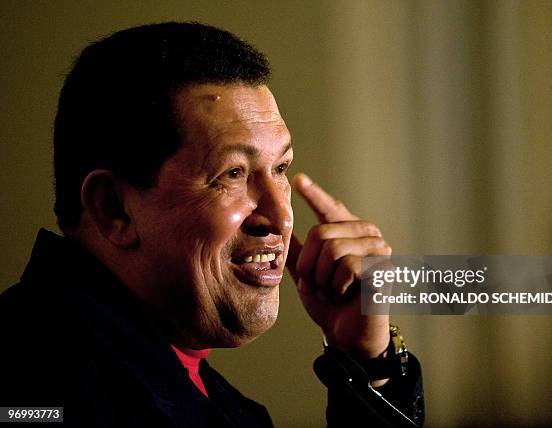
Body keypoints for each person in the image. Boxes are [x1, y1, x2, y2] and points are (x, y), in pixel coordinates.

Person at [0, 22, 423, 427]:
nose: (281, 218)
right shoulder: (36, 387)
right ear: (114, 209)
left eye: (280, 168)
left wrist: (368, 362)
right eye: (232, 174)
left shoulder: (205, 394)